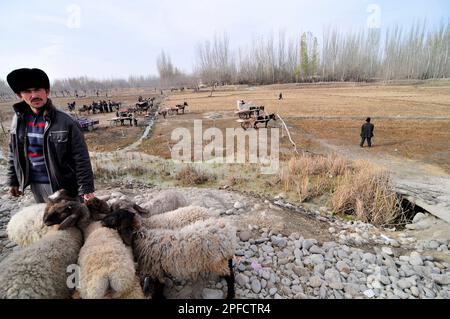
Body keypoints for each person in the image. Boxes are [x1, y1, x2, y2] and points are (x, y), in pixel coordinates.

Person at [6, 68, 95, 203]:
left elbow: (81, 158)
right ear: (20, 95)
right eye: (28, 91)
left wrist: (86, 189)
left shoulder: (66, 121)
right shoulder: (18, 121)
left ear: (47, 91)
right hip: (36, 184)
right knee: (47, 221)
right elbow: (14, 153)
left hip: (64, 187)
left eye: (37, 90)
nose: (34, 95)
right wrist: (13, 180)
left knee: (69, 222)